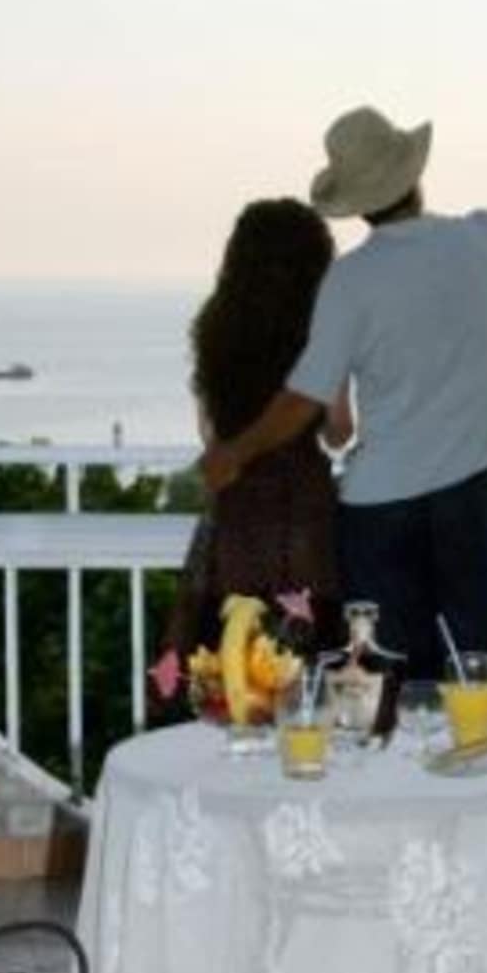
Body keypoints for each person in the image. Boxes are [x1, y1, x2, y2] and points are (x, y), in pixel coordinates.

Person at [202, 107, 487, 679]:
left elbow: (305, 396)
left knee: (388, 680)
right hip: (468, 499)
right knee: (469, 674)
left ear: (358, 204)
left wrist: (235, 452)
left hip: (379, 513)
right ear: (414, 177)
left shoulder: (351, 280)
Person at [151, 198, 348, 700]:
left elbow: (209, 433)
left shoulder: (215, 326)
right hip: (302, 510)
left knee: (230, 651)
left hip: (238, 505)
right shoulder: (323, 331)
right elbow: (339, 431)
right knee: (305, 653)